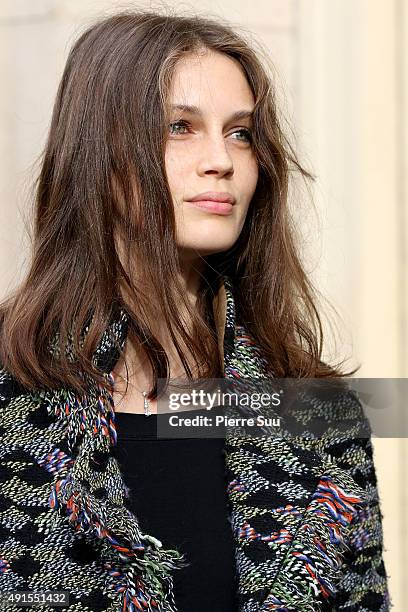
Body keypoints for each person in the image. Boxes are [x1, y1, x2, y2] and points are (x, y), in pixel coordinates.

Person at [0, 9, 390, 612]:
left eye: (240, 133)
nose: (222, 161)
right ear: (98, 151)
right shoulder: (13, 393)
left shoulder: (314, 410)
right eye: (180, 127)